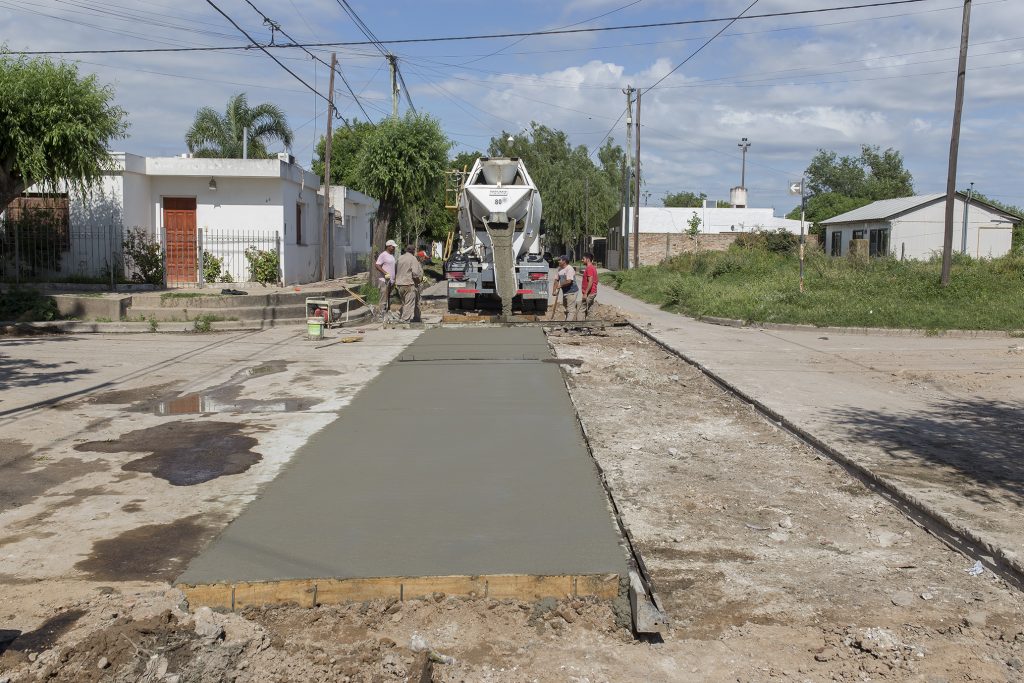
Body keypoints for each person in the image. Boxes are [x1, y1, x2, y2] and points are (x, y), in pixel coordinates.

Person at [395, 244, 424, 322]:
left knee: (405, 303)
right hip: (409, 284)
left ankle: (401, 316)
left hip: (399, 284)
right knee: (409, 304)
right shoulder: (413, 259)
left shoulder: (400, 258)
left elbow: (395, 270)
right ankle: (404, 320)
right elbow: (415, 274)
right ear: (413, 251)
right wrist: (418, 282)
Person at [552, 255, 579, 321]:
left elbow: (569, 281)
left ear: (564, 261)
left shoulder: (569, 268)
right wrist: (554, 290)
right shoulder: (559, 269)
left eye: (560, 260)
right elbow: (556, 280)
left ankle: (567, 326)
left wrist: (560, 285)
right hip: (565, 292)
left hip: (572, 291)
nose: (558, 261)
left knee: (571, 309)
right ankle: (568, 321)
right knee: (566, 307)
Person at [374, 239, 398, 311]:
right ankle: (381, 313)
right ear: (388, 246)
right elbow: (377, 265)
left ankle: (387, 312)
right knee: (383, 298)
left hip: (391, 281)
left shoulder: (391, 255)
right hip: (384, 281)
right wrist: (385, 273)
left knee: (388, 297)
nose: (394, 248)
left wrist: (394, 279)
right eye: (392, 246)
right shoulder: (383, 255)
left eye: (394, 247)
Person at [579, 252, 599, 320]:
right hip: (592, 292)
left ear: (588, 259)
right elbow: (596, 280)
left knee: (581, 309)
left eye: (583, 259)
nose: (582, 260)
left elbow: (590, 281)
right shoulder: (592, 267)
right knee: (590, 309)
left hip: (589, 293)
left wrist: (585, 293)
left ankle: (580, 326)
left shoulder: (589, 268)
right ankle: (589, 325)